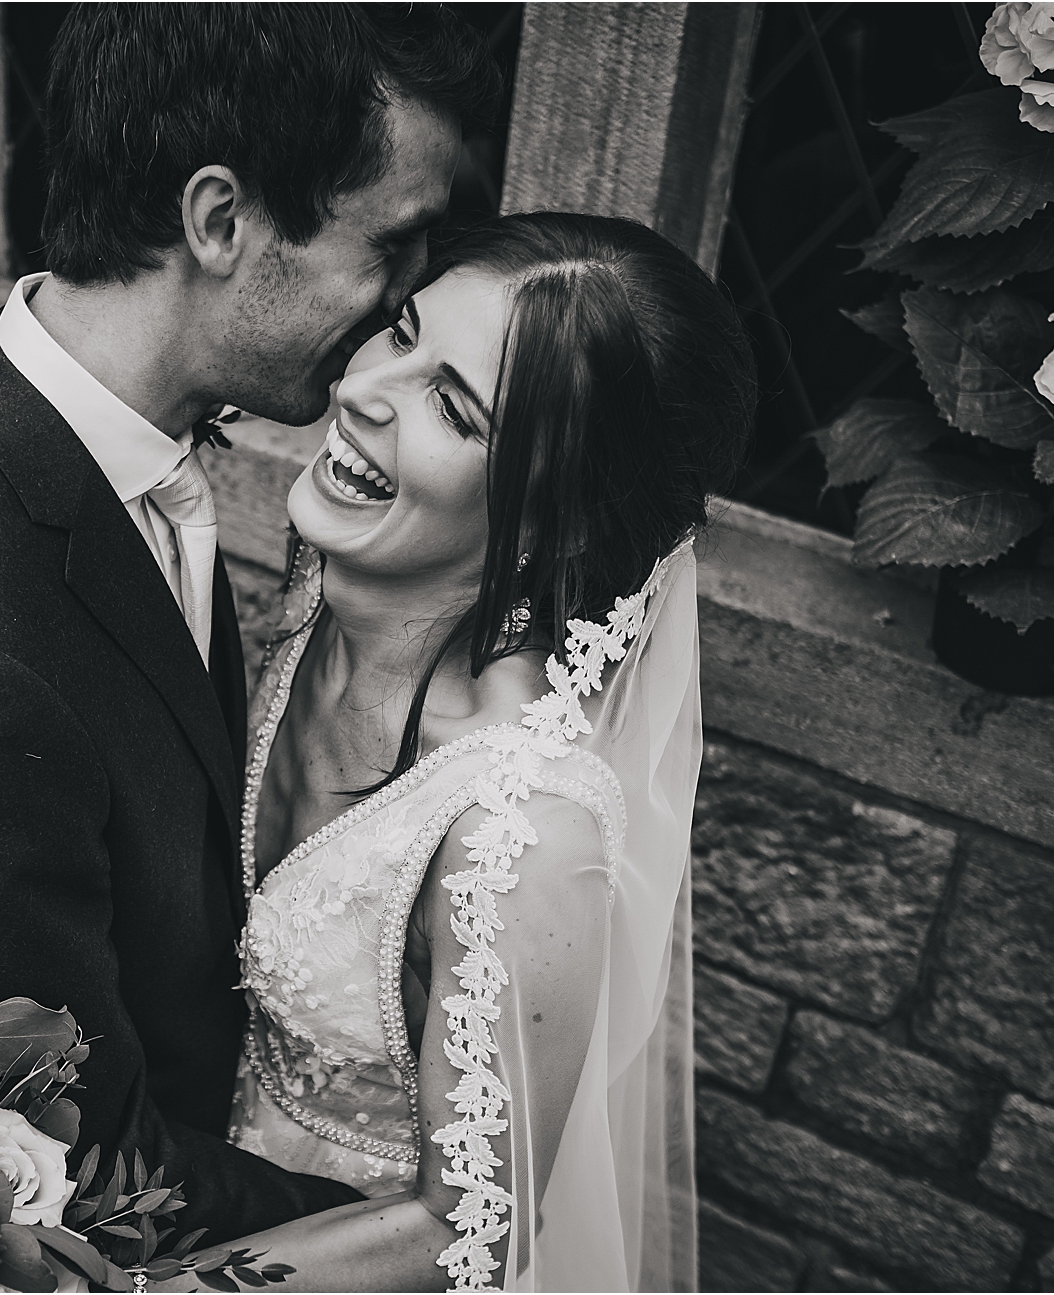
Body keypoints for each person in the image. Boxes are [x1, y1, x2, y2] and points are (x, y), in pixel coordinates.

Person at [0, 4, 498, 1244]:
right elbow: (82, 1174)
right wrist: (419, 1229)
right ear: (220, 220)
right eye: (392, 246)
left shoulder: (110, 450)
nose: (397, 308)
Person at [209, 211, 756, 1291]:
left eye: (452, 406)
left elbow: (465, 1229)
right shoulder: (322, 577)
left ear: (558, 521)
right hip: (189, 1174)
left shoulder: (524, 838)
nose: (365, 387)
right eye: (400, 331)